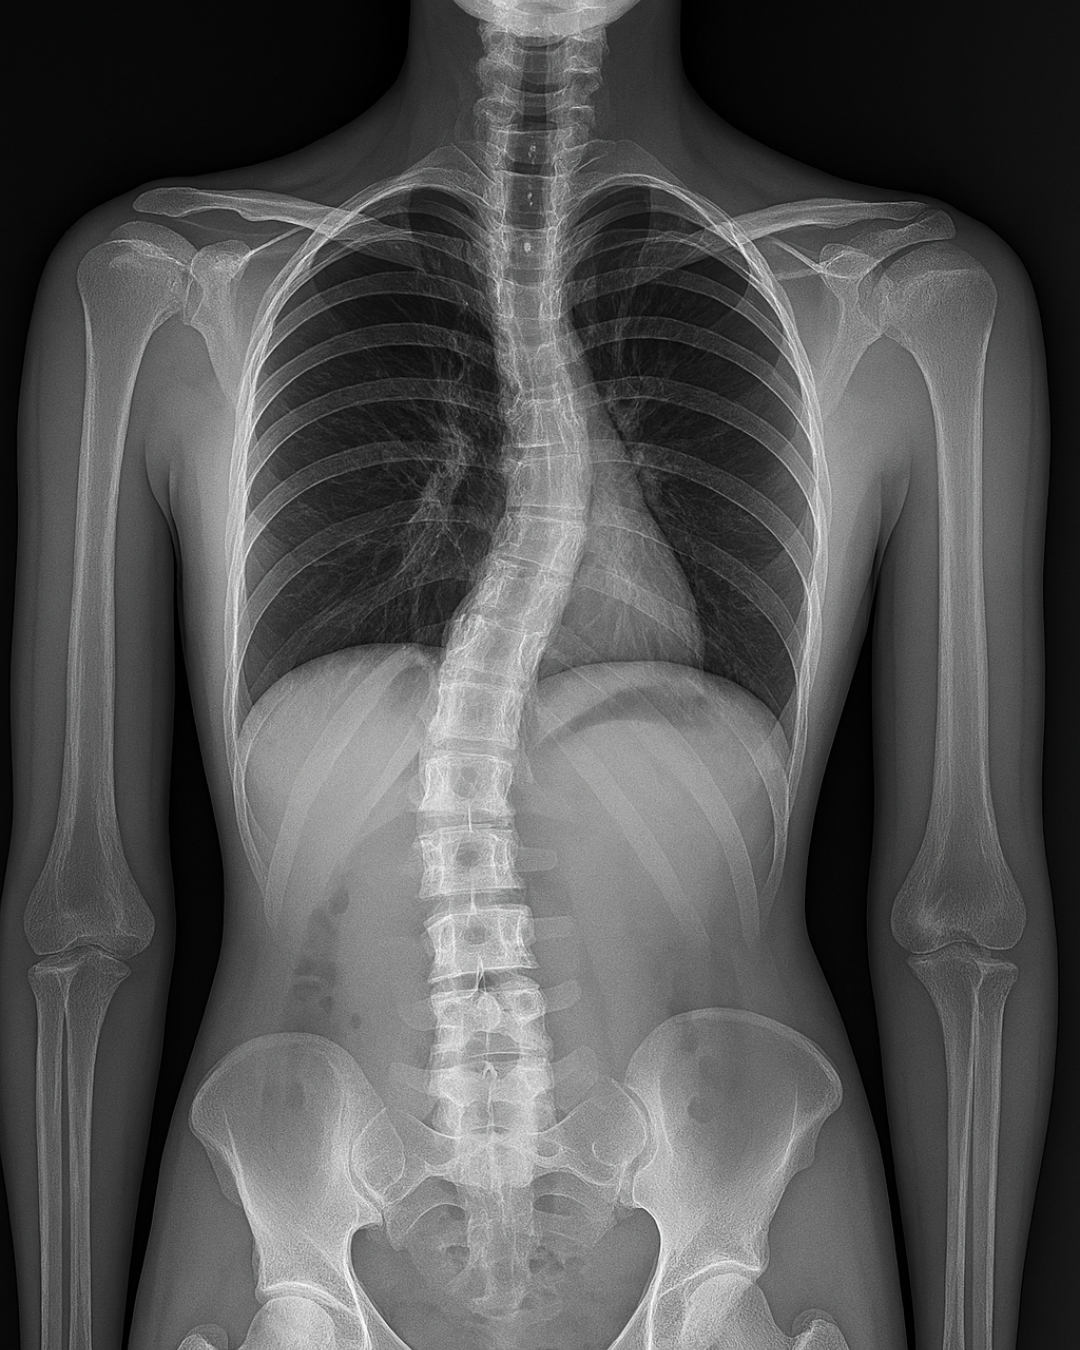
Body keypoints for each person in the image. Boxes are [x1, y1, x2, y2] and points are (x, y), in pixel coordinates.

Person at [0, 2, 1056, 1348]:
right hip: (301, 1206)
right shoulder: (158, 292)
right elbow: (83, 915)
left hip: (717, 1199)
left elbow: (961, 918)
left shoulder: (907, 307)